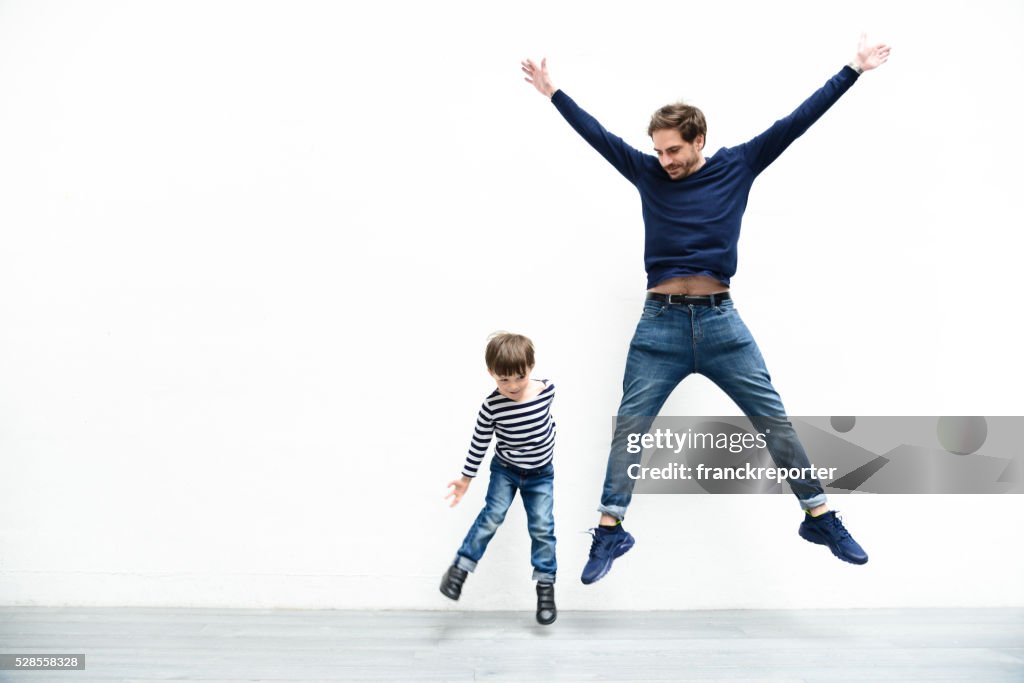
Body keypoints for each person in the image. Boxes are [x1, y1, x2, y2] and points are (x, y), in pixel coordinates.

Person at [521, 34, 890, 585]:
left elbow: (796, 121)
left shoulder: (738, 165)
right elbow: (598, 137)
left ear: (698, 140)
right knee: (631, 431)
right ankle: (609, 530)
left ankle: (820, 517)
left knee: (775, 422)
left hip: (722, 323)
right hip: (658, 328)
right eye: (658, 150)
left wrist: (851, 70)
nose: (664, 160)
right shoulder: (647, 172)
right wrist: (555, 95)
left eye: (673, 149)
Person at [440, 332, 558, 625]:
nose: (513, 386)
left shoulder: (547, 390)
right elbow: (479, 442)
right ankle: (459, 569)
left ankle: (545, 587)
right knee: (492, 516)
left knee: (542, 527)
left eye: (519, 377)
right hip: (506, 470)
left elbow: (547, 425)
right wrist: (466, 479)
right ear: (491, 374)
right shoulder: (492, 407)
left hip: (541, 474)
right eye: (503, 380)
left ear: (531, 368)